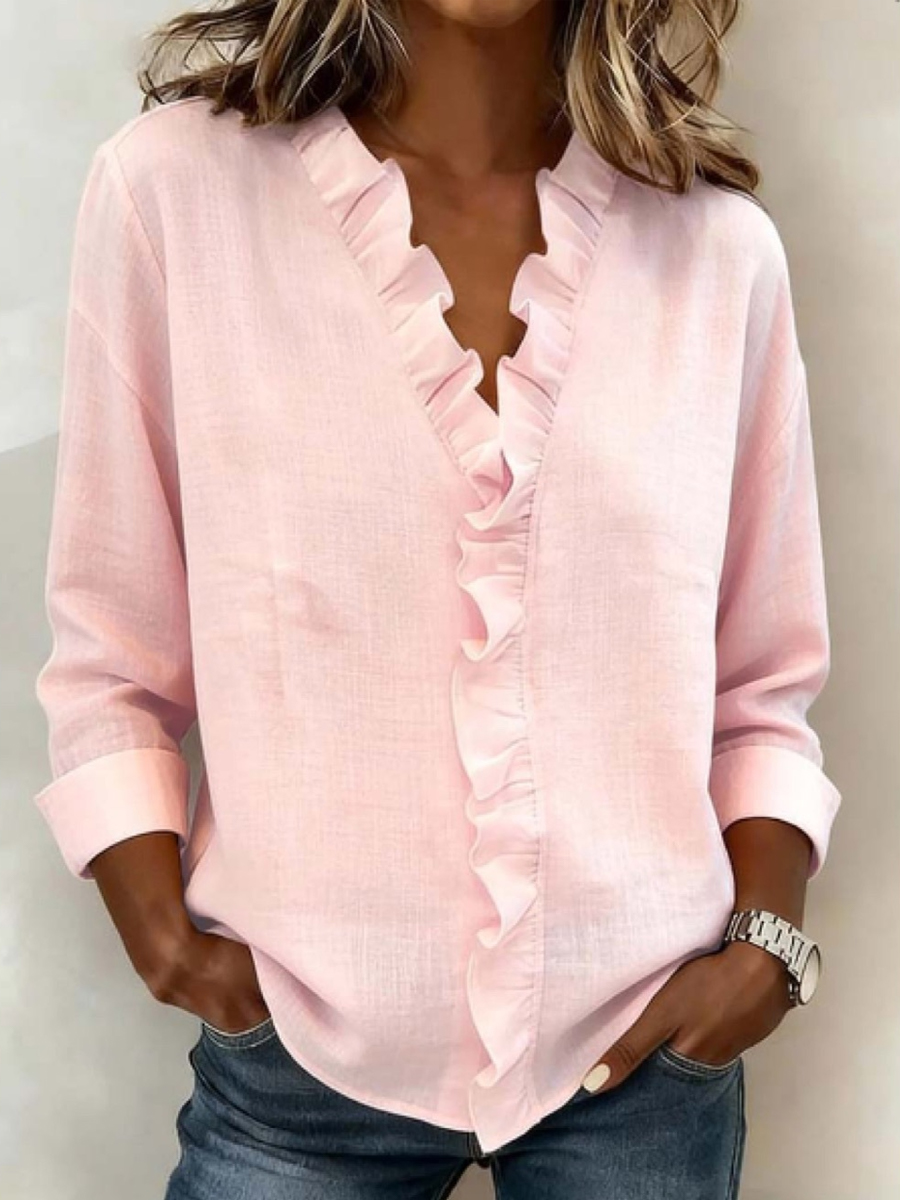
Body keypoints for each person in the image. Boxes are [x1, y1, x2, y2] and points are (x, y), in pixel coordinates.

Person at [33, 0, 842, 1195]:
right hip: (297, 1062)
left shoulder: (720, 254)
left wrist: (763, 955)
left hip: (646, 1056)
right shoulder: (174, 198)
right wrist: (164, 938)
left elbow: (763, 686)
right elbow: (111, 644)